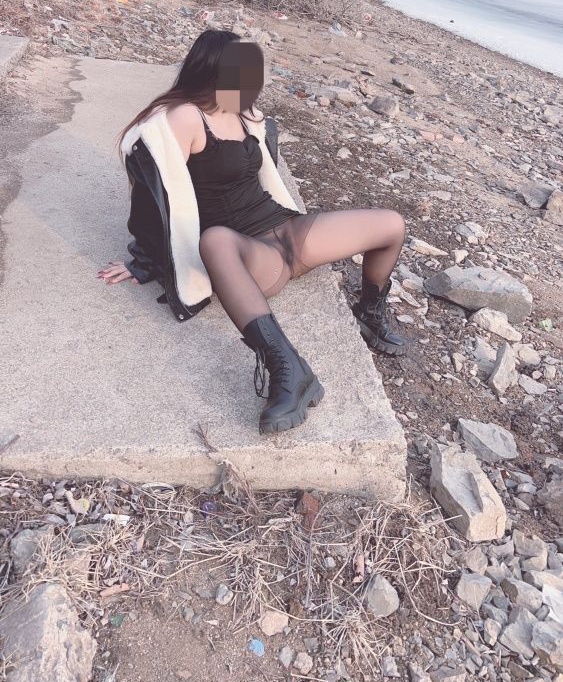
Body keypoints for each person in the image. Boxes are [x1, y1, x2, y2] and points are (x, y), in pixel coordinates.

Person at [98, 29, 407, 435]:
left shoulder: (243, 111)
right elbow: (156, 193)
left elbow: (263, 171)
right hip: (249, 254)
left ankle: (369, 311)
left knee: (391, 224)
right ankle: (287, 368)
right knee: (215, 240)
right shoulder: (185, 117)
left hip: (288, 229)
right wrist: (143, 261)